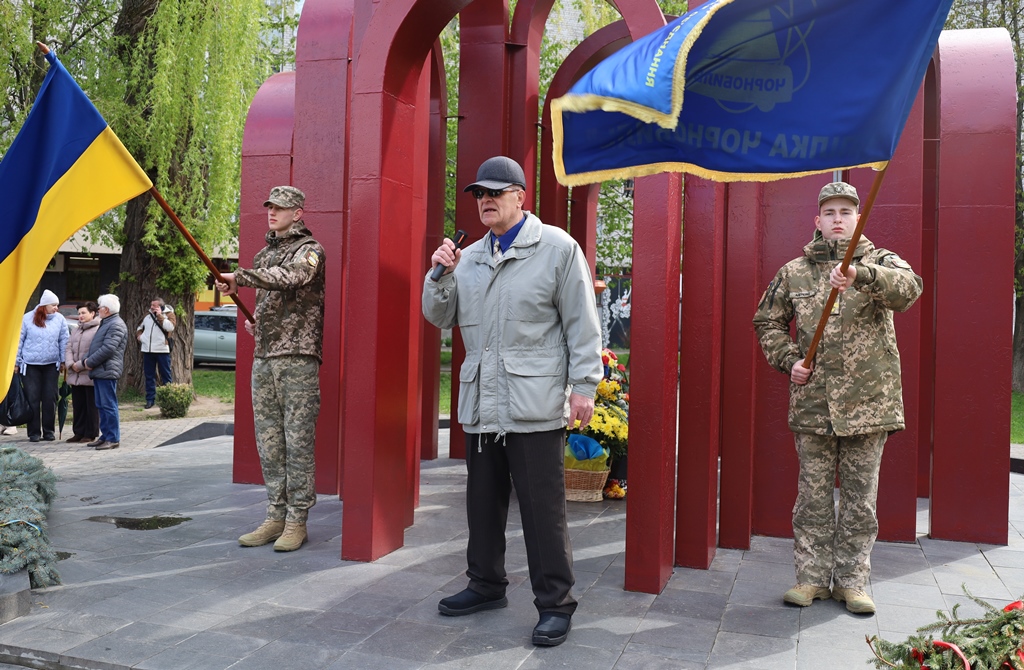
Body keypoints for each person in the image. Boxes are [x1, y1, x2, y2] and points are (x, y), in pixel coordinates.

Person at [422, 156, 603, 647]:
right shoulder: (469, 257)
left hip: (534, 402)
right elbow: (440, 317)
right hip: (482, 403)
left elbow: (581, 324)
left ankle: (556, 603)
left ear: (520, 197)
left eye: (496, 193)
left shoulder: (557, 249)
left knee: (543, 512)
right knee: (482, 504)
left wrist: (584, 384)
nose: (486, 201)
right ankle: (485, 585)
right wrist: (439, 274)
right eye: (479, 194)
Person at [752, 182, 923, 615]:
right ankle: (810, 578)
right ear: (818, 221)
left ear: (858, 218)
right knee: (812, 497)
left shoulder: (879, 262)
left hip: (869, 405)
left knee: (860, 499)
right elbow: (766, 321)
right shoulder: (794, 272)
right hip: (814, 404)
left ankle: (852, 580)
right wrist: (788, 359)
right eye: (830, 212)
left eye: (847, 211)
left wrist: (860, 276)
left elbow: (909, 289)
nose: (839, 219)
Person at [215, 185, 325, 553]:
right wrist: (258, 322)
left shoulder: (310, 252)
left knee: (297, 441)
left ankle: (297, 520)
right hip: (264, 357)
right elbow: (269, 303)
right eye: (270, 207)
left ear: (298, 212)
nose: (272, 212)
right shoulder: (263, 255)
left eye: (281, 207)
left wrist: (241, 277)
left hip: (297, 357)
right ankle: (275, 514)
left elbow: (291, 278)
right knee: (270, 442)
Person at [16, 289, 68, 442]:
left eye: (57, 305)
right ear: (44, 305)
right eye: (54, 305)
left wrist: (63, 360)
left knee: (50, 398)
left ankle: (48, 431)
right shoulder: (27, 318)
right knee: (32, 398)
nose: (56, 308)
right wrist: (16, 362)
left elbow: (64, 340)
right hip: (30, 365)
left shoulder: (60, 319)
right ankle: (33, 432)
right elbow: (19, 341)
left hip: (51, 365)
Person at [78, 294, 128, 450]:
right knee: (101, 404)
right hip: (101, 370)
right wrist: (87, 360)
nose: (98, 309)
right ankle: (105, 435)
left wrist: (89, 362)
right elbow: (96, 346)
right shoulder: (107, 322)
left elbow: (108, 349)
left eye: (99, 307)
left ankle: (113, 438)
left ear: (106, 309)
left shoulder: (116, 324)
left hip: (107, 370)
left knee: (108, 405)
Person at [64, 301, 101, 443]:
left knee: (90, 405)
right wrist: (70, 364)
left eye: (84, 313)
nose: (80, 316)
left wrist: (81, 365)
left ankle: (90, 433)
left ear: (92, 313)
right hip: (75, 373)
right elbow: (68, 348)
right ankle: (78, 432)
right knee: (78, 405)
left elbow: (95, 351)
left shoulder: (98, 329)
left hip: (88, 372)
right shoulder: (76, 330)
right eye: (79, 313)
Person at [136, 297, 176, 409]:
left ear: (160, 306)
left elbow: (170, 327)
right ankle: (150, 399)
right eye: (151, 305)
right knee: (149, 376)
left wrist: (160, 316)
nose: (151, 307)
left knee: (166, 375)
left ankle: (168, 399)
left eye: (154, 305)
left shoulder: (169, 315)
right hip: (147, 350)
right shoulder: (147, 315)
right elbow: (140, 327)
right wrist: (140, 336)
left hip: (162, 350)